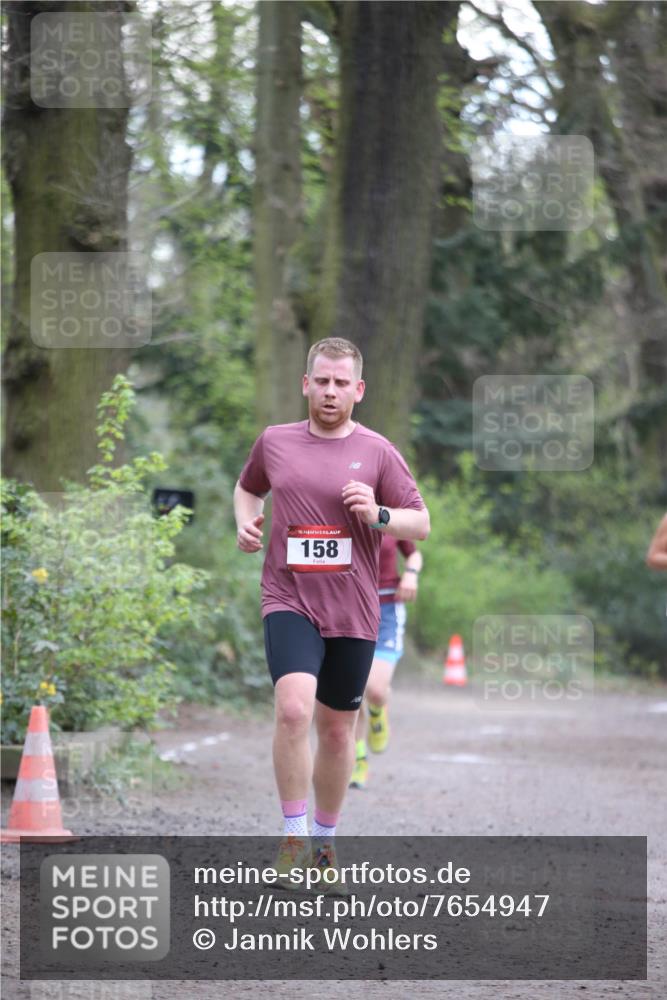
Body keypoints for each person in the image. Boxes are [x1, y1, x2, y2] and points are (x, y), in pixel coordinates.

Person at [234, 337, 429, 887]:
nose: (330, 391)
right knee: (294, 710)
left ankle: (324, 844)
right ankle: (294, 838)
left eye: (341, 383)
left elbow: (420, 523)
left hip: (353, 609)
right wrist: (245, 522)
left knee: (339, 732)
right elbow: (247, 489)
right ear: (306, 383)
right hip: (289, 596)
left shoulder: (378, 452)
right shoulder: (275, 441)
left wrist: (379, 514)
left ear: (358, 390)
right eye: (321, 380)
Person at [350, 533, 423, 789]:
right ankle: (358, 760)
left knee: (376, 690)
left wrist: (411, 574)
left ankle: (377, 711)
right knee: (350, 694)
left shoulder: (391, 517)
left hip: (387, 609)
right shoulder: (337, 514)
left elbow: (413, 553)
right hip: (348, 608)